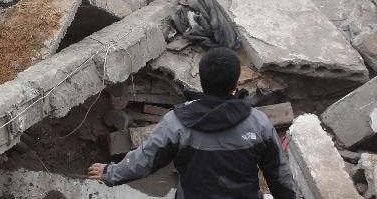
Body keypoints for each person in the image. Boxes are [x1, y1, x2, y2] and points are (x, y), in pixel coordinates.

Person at [88, 48, 296, 199]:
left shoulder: (176, 124)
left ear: (202, 82)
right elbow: (279, 175)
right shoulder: (259, 123)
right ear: (235, 83)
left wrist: (110, 173)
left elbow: (144, 161)